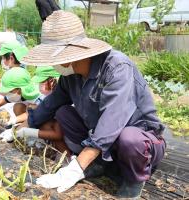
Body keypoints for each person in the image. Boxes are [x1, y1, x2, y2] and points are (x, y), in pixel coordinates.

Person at [15, 11, 166, 198]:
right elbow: (51, 104)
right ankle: (100, 164)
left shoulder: (117, 68)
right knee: (63, 113)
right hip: (103, 140)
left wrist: (76, 166)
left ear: (69, 55)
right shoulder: (70, 77)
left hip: (139, 142)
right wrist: (26, 124)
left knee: (129, 139)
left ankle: (134, 181)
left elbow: (111, 122)